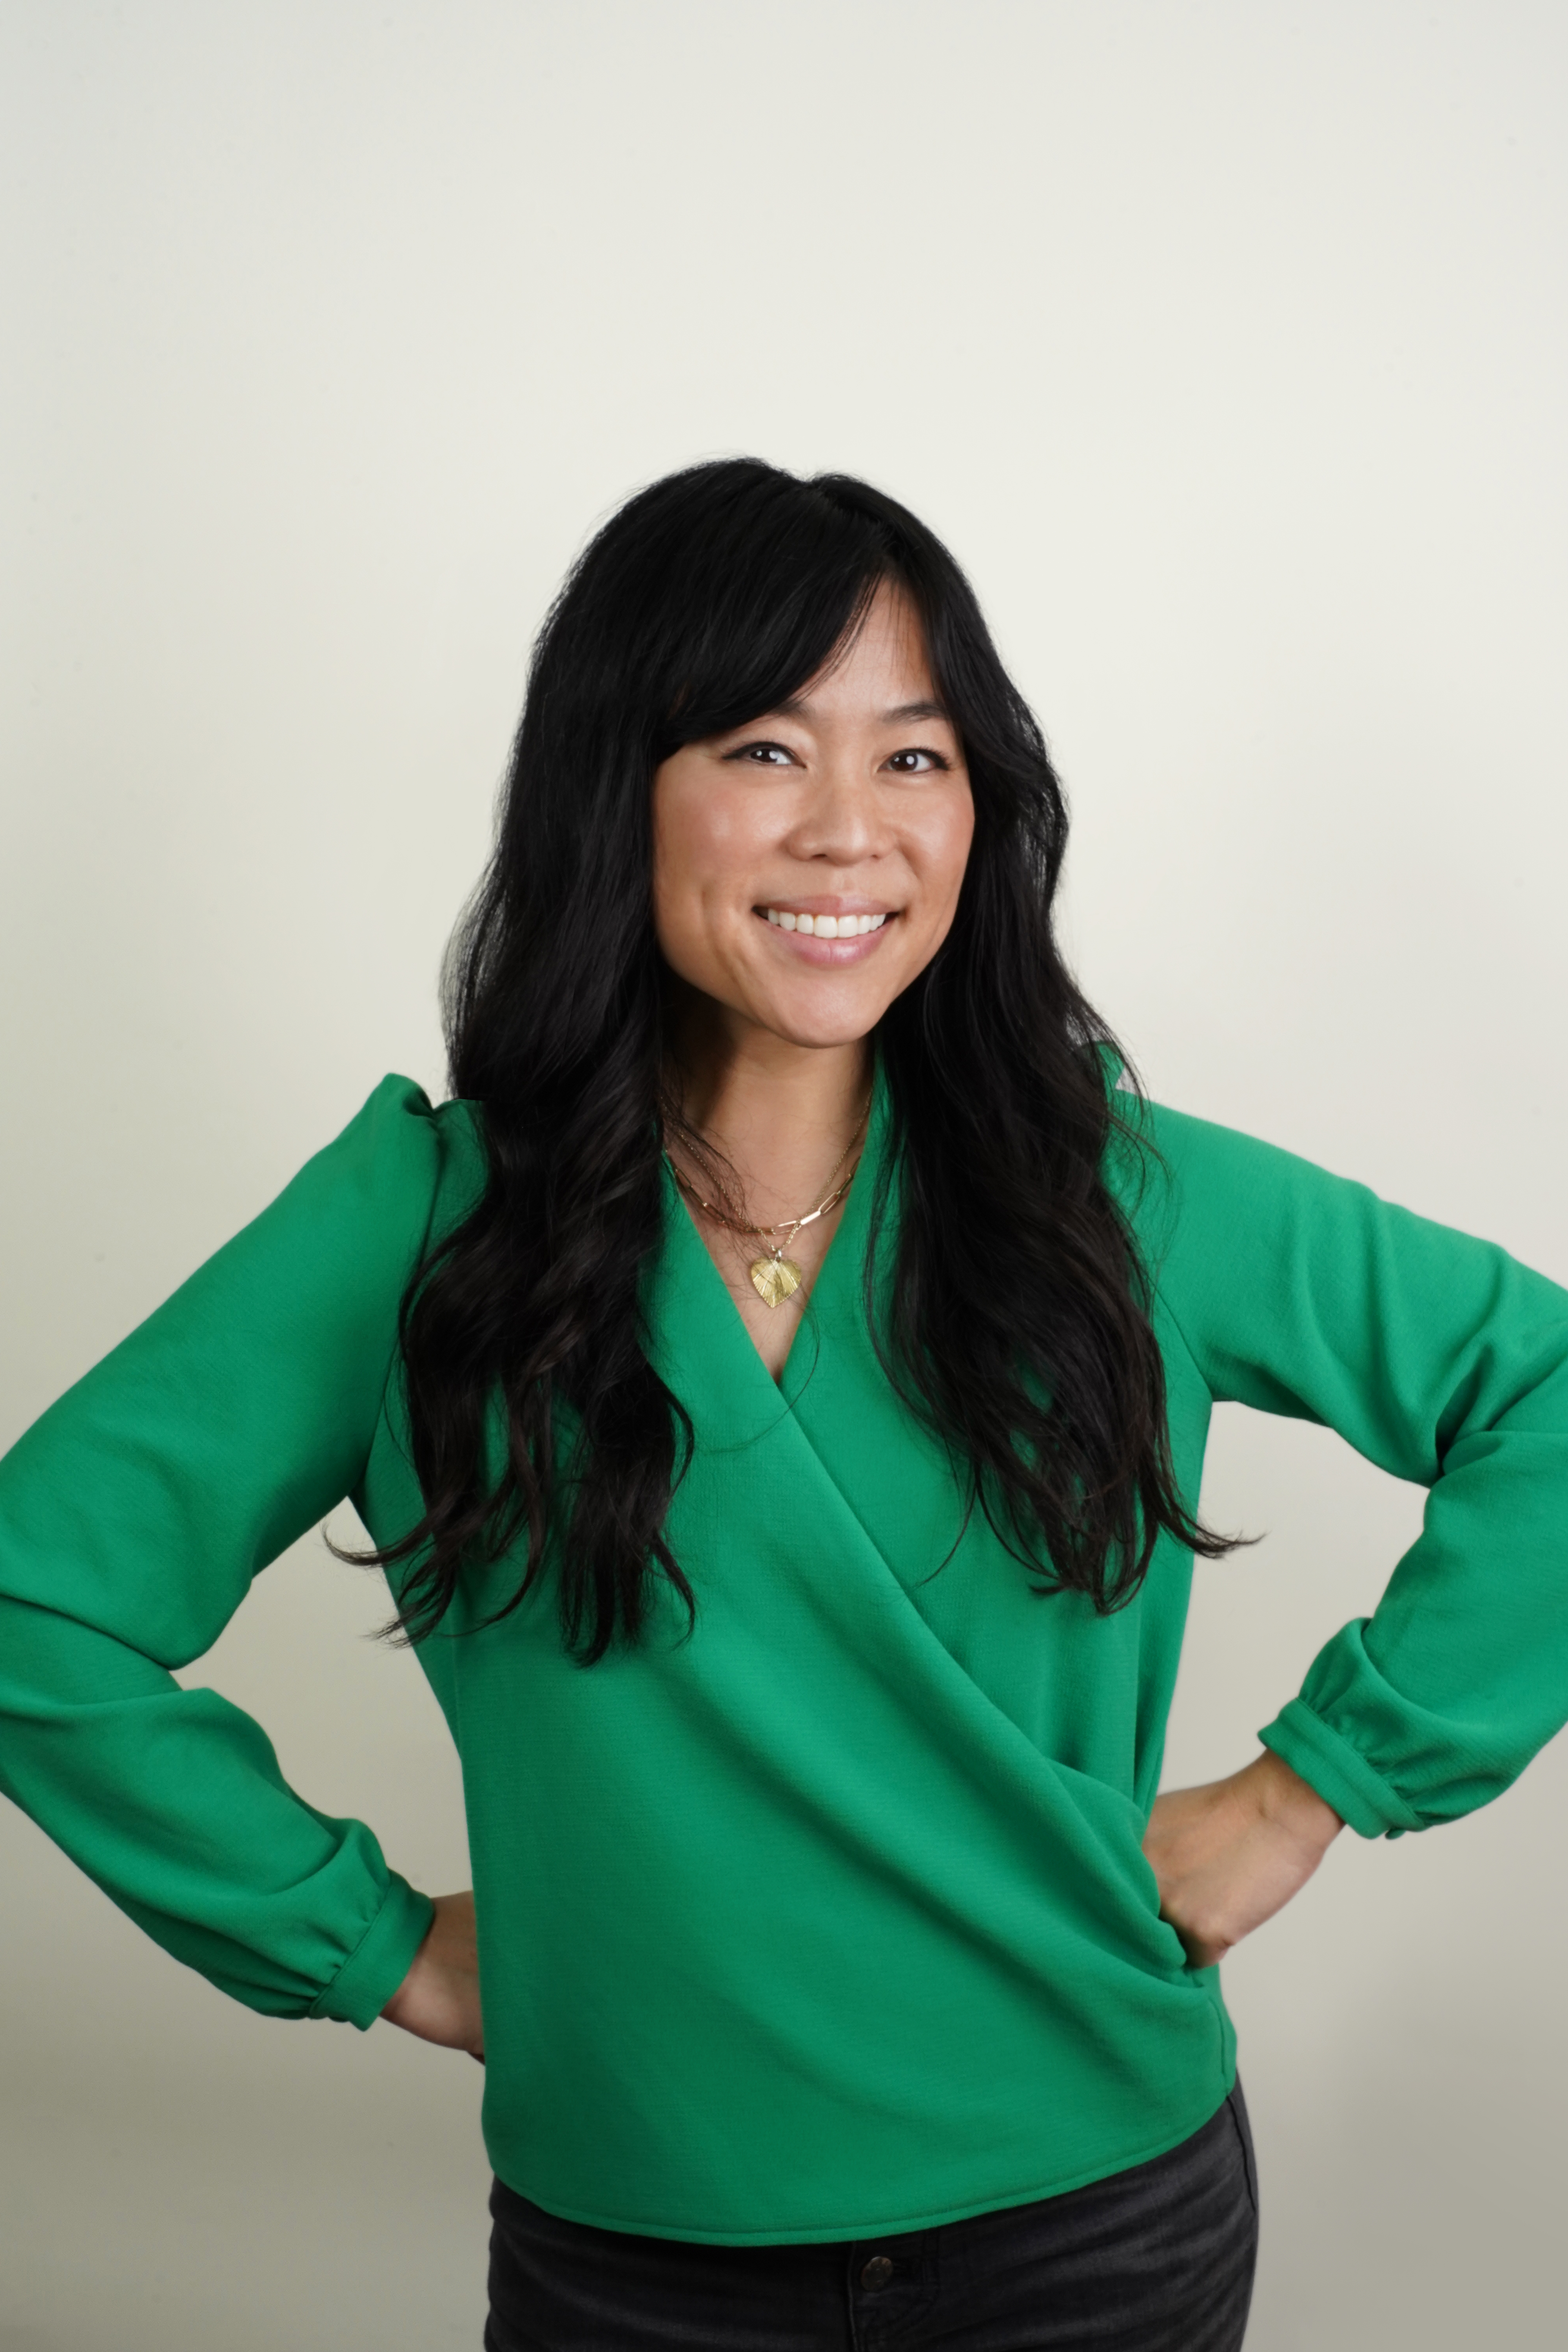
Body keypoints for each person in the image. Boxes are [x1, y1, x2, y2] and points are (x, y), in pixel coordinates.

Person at [2, 459, 1565, 2352]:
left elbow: (1542, 1391)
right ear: (618, 792)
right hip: (639, 2267)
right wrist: (369, 1941)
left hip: (1100, 2232)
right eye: (763, 747)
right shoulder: (419, 1226)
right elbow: (40, 1600)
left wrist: (1316, 1783)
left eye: (915, 758)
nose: (851, 833)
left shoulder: (1126, 1199)